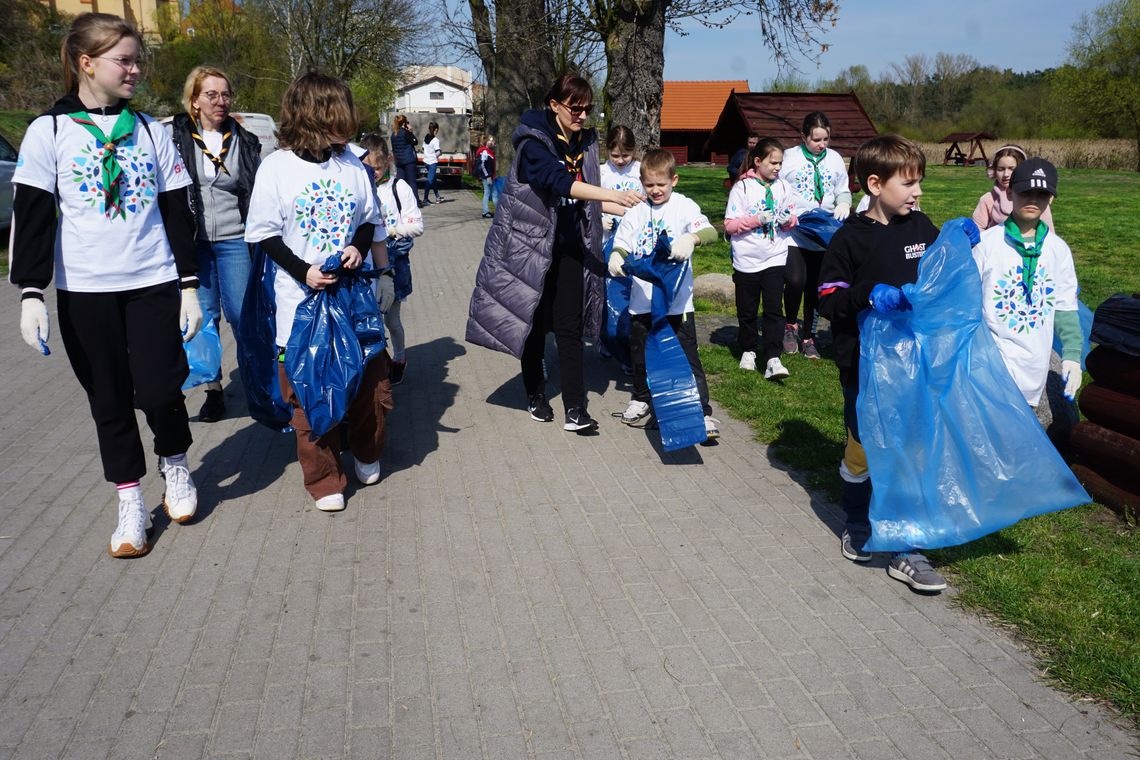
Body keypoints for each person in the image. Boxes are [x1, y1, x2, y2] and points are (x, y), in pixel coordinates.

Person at [11, 12, 201, 557]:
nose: (136, 69)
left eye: (138, 59)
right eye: (125, 60)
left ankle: (176, 464)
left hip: (152, 282)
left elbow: (177, 210)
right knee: (109, 397)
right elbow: (33, 215)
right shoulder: (48, 131)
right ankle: (128, 499)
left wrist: (189, 284)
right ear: (86, 63)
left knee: (162, 387)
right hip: (85, 291)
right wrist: (29, 292)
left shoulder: (150, 131)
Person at [244, 71, 392, 513]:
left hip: (352, 300)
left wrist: (356, 248)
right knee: (308, 395)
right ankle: (324, 476)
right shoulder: (276, 168)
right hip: (300, 303)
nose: (346, 126)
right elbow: (265, 235)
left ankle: (367, 448)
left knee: (370, 383)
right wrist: (303, 270)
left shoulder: (352, 166)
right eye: (338, 116)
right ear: (314, 115)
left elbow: (368, 219)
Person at [466, 73, 643, 433]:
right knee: (531, 323)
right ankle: (534, 393)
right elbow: (557, 181)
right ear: (554, 105)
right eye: (574, 108)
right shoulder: (532, 142)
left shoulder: (588, 142)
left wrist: (635, 210)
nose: (581, 115)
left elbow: (585, 199)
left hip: (569, 245)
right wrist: (611, 196)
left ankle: (576, 410)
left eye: (587, 109)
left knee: (570, 326)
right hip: (528, 248)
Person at [817, 134, 947, 592]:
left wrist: (960, 240)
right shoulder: (849, 238)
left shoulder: (920, 227)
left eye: (920, 183)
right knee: (864, 449)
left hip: (914, 364)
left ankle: (907, 547)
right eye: (909, 183)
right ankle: (857, 520)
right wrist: (867, 296)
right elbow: (828, 298)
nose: (918, 193)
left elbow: (942, 270)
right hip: (863, 367)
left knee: (910, 448)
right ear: (874, 184)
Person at [170, 65, 262, 423]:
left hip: (235, 239)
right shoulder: (175, 137)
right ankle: (213, 390)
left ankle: (257, 382)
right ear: (194, 100)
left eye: (225, 94)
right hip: (195, 244)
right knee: (203, 318)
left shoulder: (244, 139)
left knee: (241, 313)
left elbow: (254, 189)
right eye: (211, 94)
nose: (220, 101)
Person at [609, 149, 720, 438]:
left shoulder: (684, 206)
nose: (655, 190)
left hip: (677, 304)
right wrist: (617, 257)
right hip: (642, 303)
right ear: (641, 183)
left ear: (675, 180)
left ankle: (701, 411)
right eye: (649, 185)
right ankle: (642, 398)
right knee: (640, 358)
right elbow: (621, 243)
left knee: (687, 357)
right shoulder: (636, 212)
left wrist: (690, 238)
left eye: (661, 184)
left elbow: (710, 232)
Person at [972, 158, 1081, 408]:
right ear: (1010, 192)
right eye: (1025, 192)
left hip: (1034, 369)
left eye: (1041, 194)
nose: (1033, 200)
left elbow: (1065, 306)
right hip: (990, 368)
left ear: (1051, 198)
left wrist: (1072, 355)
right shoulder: (986, 244)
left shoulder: (1058, 250)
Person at [723, 138, 798, 380]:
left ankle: (773, 357)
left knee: (774, 309)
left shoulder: (783, 187)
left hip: (775, 256)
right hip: (747, 258)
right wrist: (756, 220)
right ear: (758, 161)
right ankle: (748, 349)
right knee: (747, 309)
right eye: (773, 162)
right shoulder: (742, 188)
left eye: (780, 163)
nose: (777, 167)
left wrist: (788, 220)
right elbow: (730, 225)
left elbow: (791, 219)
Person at [780, 111, 851, 359]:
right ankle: (790, 326)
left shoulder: (834, 159)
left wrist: (843, 204)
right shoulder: (789, 158)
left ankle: (810, 337)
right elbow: (776, 187)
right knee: (796, 280)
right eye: (816, 140)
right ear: (803, 136)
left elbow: (842, 188)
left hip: (824, 230)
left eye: (825, 140)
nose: (821, 145)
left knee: (814, 287)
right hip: (796, 229)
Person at [359, 133, 424, 386]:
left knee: (391, 320)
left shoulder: (399, 188)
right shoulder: (360, 187)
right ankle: (376, 364)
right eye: (368, 168)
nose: (373, 173)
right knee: (369, 318)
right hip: (366, 265)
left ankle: (399, 358)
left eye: (377, 167)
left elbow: (417, 225)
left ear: (388, 161)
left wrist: (393, 231)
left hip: (393, 262)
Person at [972, 144, 1055, 231]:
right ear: (994, 171)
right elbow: (977, 230)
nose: (1006, 175)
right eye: (1001, 169)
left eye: (1012, 169)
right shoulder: (987, 199)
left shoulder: (1036, 200)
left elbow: (1049, 232)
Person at [390, 114, 418, 197]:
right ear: (404, 123)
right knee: (412, 182)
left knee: (400, 182)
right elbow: (415, 142)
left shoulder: (393, 134)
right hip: (409, 161)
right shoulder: (406, 133)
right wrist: (411, 131)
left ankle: (400, 201)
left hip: (399, 161)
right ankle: (415, 201)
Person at [474, 134, 498, 218]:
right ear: (486, 142)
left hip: (491, 176)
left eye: (492, 140)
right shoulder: (484, 152)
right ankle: (491, 212)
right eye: (490, 140)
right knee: (491, 194)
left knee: (489, 193)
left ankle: (487, 211)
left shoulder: (489, 152)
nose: (492, 142)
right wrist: (488, 176)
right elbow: (482, 165)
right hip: (487, 177)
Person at [420, 120, 444, 205]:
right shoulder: (435, 140)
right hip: (432, 162)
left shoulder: (425, 137)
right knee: (429, 181)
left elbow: (423, 149)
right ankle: (425, 199)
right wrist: (440, 153)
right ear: (436, 130)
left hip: (426, 161)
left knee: (433, 180)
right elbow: (437, 152)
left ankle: (437, 196)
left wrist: (428, 152)